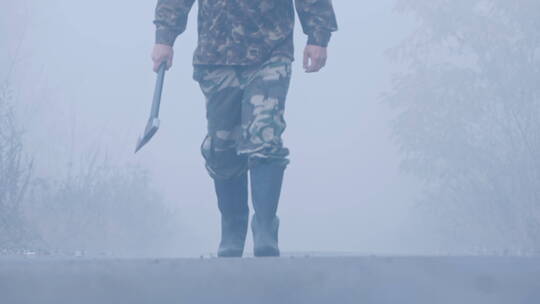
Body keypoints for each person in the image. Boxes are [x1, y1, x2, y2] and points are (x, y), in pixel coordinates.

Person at [152, 0, 337, 257]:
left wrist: (318, 35)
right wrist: (164, 37)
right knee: (222, 146)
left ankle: (264, 224)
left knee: (265, 134)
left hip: (271, 50)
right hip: (216, 54)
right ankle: (233, 225)